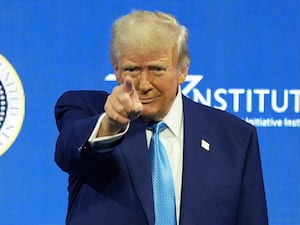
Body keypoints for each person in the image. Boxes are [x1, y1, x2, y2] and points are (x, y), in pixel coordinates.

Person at [54, 10, 268, 225]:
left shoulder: (235, 137)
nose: (144, 85)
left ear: (182, 71)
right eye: (132, 69)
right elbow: (69, 154)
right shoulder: (85, 109)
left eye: (157, 69)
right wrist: (112, 123)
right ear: (116, 70)